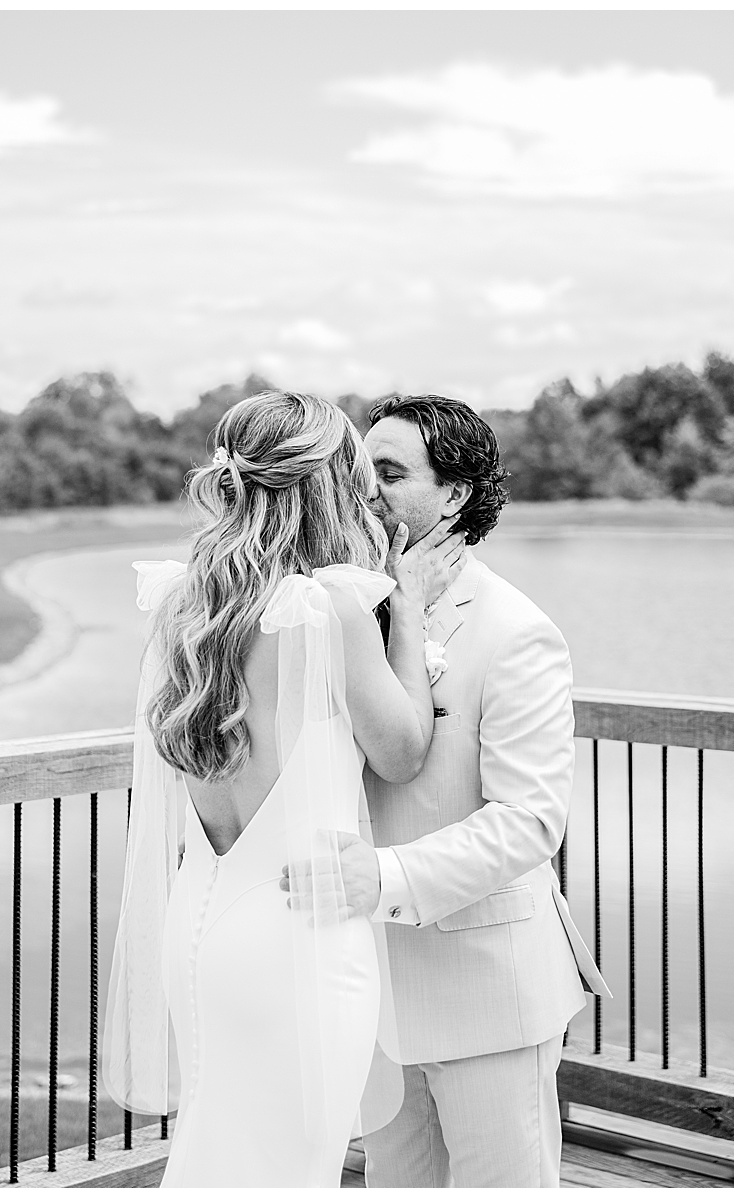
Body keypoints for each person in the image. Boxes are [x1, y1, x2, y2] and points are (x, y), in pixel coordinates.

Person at [103, 390, 463, 1187]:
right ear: (325, 485)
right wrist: (405, 611)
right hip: (298, 936)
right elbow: (402, 750)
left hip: (199, 932)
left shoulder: (182, 602)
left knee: (216, 1154)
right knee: (291, 1172)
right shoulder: (324, 609)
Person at [337, 394, 609, 1187]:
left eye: (389, 473)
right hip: (372, 997)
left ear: (455, 494)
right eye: (360, 472)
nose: (366, 491)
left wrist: (382, 877)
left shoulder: (515, 630)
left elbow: (528, 823)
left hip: (487, 992)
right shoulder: (347, 607)